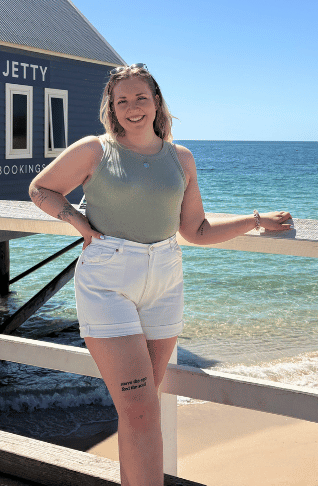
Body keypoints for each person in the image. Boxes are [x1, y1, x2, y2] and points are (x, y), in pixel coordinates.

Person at [29, 63, 291, 485]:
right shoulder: (95, 149)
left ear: (156, 101)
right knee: (139, 409)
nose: (132, 107)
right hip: (107, 280)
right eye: (122, 100)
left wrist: (256, 219)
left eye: (141, 98)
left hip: (165, 278)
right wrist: (78, 222)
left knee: (141, 409)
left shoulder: (181, 158)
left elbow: (196, 230)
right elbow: (41, 188)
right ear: (111, 107)